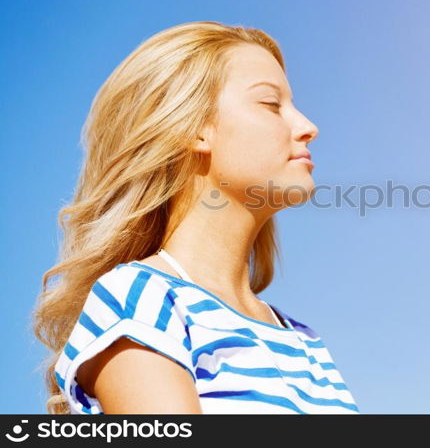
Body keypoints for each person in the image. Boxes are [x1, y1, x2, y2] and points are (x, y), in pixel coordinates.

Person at [32, 21, 360, 414]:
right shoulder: (141, 299)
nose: (308, 127)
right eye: (271, 105)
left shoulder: (305, 342)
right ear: (194, 128)